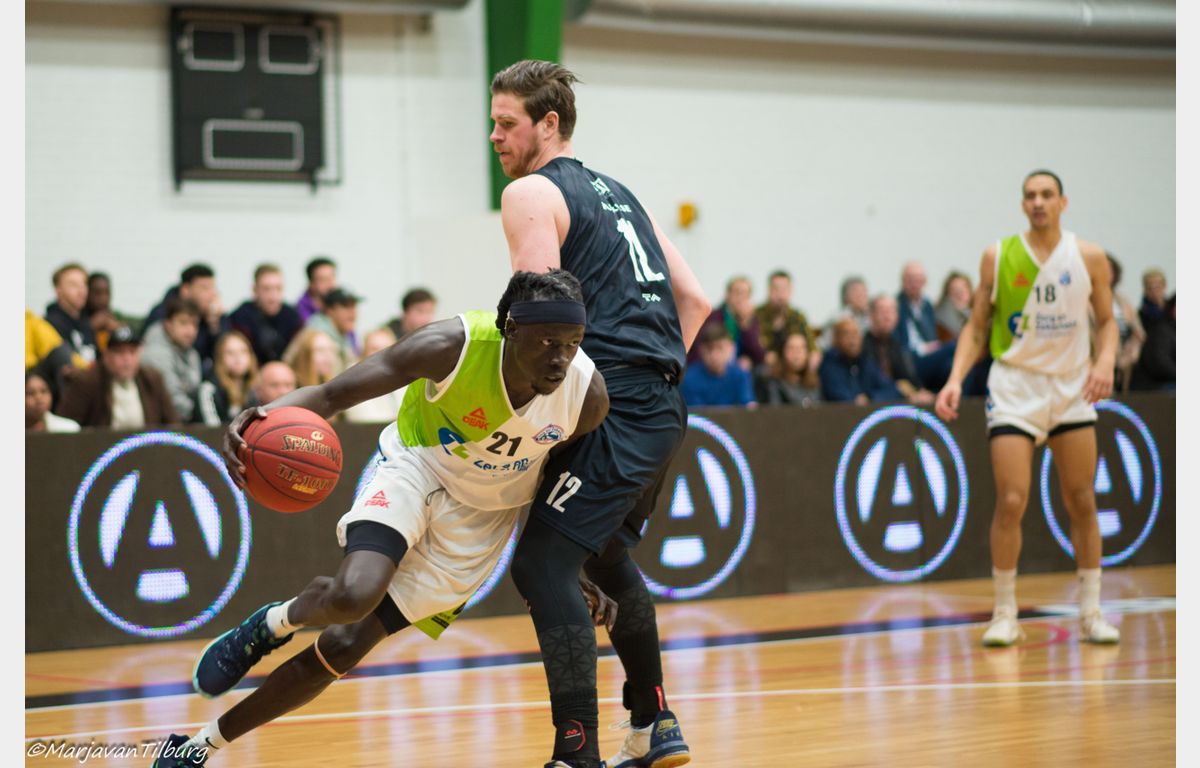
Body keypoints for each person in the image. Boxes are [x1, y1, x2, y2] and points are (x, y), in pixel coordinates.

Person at [152, 270, 611, 768]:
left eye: (573, 343)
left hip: (483, 519)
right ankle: (272, 625)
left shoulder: (586, 398)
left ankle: (198, 745)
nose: (561, 357)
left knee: (344, 645)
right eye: (547, 342)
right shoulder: (449, 347)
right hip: (418, 469)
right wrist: (259, 417)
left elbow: (558, 487)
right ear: (512, 329)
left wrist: (564, 566)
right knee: (352, 595)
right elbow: (332, 395)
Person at [491, 59, 710, 768]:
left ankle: (576, 752)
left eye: (507, 123)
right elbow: (696, 301)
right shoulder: (622, 196)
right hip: (662, 405)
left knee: (543, 565)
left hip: (612, 405)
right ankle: (653, 723)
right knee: (606, 555)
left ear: (548, 123)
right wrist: (652, 373)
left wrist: (518, 419)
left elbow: (542, 316)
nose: (495, 137)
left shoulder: (530, 191)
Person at [934, 169, 1121, 648]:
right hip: (1015, 387)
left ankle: (1091, 612)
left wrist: (1104, 361)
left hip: (1071, 386)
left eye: (1046, 195)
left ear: (1063, 202)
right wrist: (954, 379)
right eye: (1031, 196)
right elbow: (977, 326)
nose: (1038, 202)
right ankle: (1004, 613)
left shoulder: (1088, 256)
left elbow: (1107, 322)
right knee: (1012, 499)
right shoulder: (998, 256)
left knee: (1082, 499)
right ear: (1022, 205)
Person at [56, 325, 179, 429]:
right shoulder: (87, 382)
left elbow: (174, 424)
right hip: (101, 449)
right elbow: (65, 426)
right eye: (119, 352)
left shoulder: (152, 379)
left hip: (147, 447)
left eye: (132, 352)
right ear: (106, 356)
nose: (127, 359)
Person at [145, 264, 231, 368]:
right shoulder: (162, 313)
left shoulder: (213, 316)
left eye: (213, 288)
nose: (212, 294)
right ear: (185, 290)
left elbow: (224, 356)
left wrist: (214, 325)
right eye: (204, 288)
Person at [141, 297, 204, 423]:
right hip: (160, 427)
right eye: (183, 323)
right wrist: (201, 413)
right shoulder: (156, 353)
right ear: (168, 324)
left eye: (194, 324)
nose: (190, 331)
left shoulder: (191, 353)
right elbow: (173, 401)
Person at [864, 294, 935, 405]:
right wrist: (905, 392)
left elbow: (907, 375)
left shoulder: (897, 344)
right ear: (871, 316)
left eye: (891, 311)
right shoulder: (862, 346)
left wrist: (918, 391)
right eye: (882, 311)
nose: (887, 316)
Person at [229, 264, 303, 364]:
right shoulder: (240, 318)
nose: (273, 296)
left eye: (278, 288)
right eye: (266, 289)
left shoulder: (292, 317)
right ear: (255, 290)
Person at [819, 317, 902, 404]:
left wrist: (870, 397)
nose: (852, 339)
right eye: (847, 334)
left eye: (856, 334)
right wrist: (859, 401)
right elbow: (841, 398)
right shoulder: (830, 365)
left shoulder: (866, 361)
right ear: (836, 339)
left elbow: (892, 390)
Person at [690, 275, 765, 371]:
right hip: (712, 366)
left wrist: (746, 326)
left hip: (739, 370)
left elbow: (758, 355)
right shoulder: (713, 317)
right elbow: (700, 349)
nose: (741, 298)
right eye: (737, 293)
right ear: (727, 294)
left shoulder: (751, 319)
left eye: (746, 295)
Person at [680, 322, 756, 407]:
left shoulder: (741, 376)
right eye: (709, 348)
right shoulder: (689, 378)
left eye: (720, 348)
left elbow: (748, 405)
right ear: (701, 350)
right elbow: (695, 412)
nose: (714, 355)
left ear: (731, 348)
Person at [754, 270, 817, 368]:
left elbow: (812, 346)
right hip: (764, 365)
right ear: (769, 290)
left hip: (792, 366)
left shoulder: (798, 317)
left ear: (790, 291)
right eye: (776, 289)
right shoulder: (757, 314)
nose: (780, 294)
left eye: (784, 289)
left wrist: (813, 356)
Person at [197, 331, 260, 426]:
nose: (238, 358)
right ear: (220, 358)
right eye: (230, 353)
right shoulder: (208, 389)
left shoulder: (253, 390)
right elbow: (212, 430)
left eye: (243, 351)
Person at [344, 328, 407, 423]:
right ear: (363, 355)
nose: (381, 353)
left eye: (387, 348)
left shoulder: (404, 381)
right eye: (374, 349)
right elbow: (365, 422)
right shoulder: (352, 383)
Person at [44, 263, 99, 367]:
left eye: (84, 284)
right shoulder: (48, 325)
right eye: (73, 285)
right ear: (58, 290)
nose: (82, 291)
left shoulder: (89, 320)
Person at [1105, 253, 1144, 393]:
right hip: (1096, 361)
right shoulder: (1085, 300)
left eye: (1110, 270)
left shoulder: (1122, 301)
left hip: (1123, 363)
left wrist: (1130, 355)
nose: (1106, 274)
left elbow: (1138, 333)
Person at [754, 331, 822, 407]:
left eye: (801, 348)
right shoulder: (772, 382)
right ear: (782, 352)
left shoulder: (814, 383)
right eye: (791, 348)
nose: (797, 353)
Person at [305, 287, 361, 369]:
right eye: (346, 306)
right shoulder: (317, 336)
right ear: (330, 310)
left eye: (354, 306)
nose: (352, 312)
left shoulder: (344, 335)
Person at [85, 272, 140, 351]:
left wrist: (117, 330)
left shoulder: (114, 317)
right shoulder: (79, 317)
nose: (103, 299)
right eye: (97, 293)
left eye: (107, 293)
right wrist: (90, 326)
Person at [819, 275, 869, 348]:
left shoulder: (871, 316)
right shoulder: (837, 318)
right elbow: (826, 344)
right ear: (845, 296)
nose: (862, 296)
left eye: (864, 291)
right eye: (857, 292)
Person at [295, 256, 337, 324]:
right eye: (323, 280)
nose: (330, 285)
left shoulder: (339, 305)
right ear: (311, 284)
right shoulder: (299, 312)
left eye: (332, 278)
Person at [934, 271, 973, 341]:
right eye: (955, 291)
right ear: (947, 294)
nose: (959, 295)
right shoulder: (941, 324)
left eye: (962, 290)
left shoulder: (979, 314)